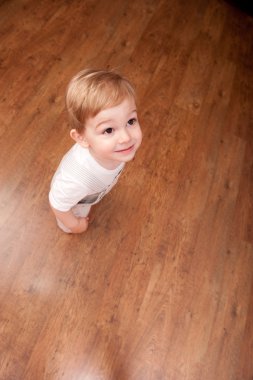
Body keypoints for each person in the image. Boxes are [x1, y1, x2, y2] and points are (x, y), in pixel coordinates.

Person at [49, 69, 142, 233]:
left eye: (131, 121)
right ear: (82, 138)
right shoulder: (76, 180)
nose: (126, 137)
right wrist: (74, 224)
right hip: (76, 206)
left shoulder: (114, 151)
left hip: (92, 190)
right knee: (67, 223)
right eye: (108, 130)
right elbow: (58, 204)